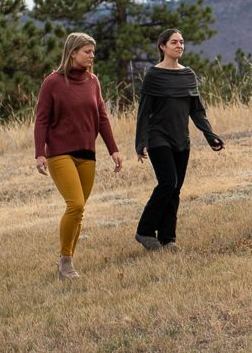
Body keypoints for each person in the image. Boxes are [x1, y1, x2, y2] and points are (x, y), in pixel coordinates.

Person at [34, 32, 122, 279]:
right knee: (75, 204)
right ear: (72, 52)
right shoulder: (52, 82)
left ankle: (66, 261)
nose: (92, 56)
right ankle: (65, 261)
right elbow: (41, 119)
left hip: (87, 153)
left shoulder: (93, 82)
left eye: (93, 52)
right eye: (87, 52)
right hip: (60, 154)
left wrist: (113, 149)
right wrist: (40, 153)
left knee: (80, 210)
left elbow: (102, 117)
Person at [135, 28, 224, 251]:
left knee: (175, 189)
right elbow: (144, 112)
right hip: (158, 138)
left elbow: (197, 111)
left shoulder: (188, 75)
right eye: (174, 42)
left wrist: (210, 135)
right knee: (168, 183)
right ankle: (145, 231)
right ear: (162, 46)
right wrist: (141, 141)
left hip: (181, 139)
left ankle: (167, 238)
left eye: (182, 42)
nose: (179, 45)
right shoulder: (154, 75)